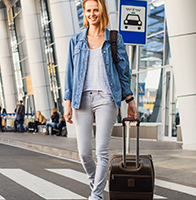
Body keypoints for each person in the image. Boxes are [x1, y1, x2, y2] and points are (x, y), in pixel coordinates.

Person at [63, 0, 137, 199]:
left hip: (106, 98)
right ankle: (98, 189)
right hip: (82, 100)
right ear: (84, 13)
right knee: (84, 153)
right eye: (88, 10)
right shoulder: (76, 40)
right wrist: (67, 102)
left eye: (95, 9)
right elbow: (69, 73)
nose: (92, 14)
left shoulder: (114, 39)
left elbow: (124, 72)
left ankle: (96, 196)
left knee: (101, 152)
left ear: (101, 11)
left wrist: (129, 99)